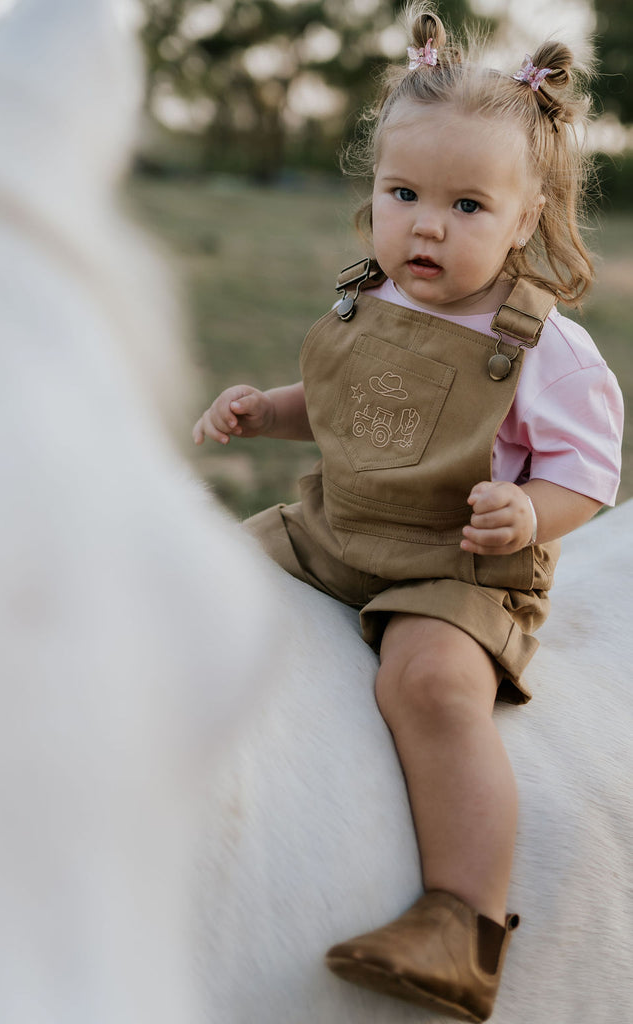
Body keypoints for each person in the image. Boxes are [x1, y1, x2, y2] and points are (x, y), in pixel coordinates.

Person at [192, 7, 623, 1021]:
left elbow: (588, 471)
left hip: (452, 568)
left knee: (426, 684)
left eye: (467, 204)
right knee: (204, 578)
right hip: (331, 532)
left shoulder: (540, 346)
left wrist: (528, 512)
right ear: (376, 191)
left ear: (524, 217)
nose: (426, 225)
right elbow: (347, 406)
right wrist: (267, 411)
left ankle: (459, 920)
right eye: (404, 195)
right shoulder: (374, 298)